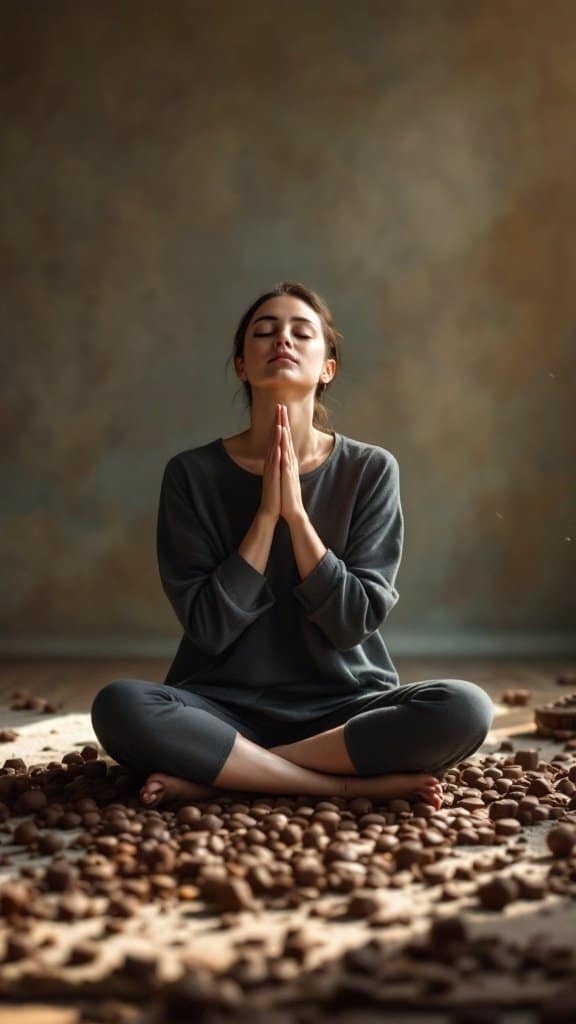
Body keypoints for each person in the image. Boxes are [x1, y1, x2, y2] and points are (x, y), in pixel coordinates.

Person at [90, 281, 494, 810]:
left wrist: (297, 519)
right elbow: (209, 626)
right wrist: (264, 517)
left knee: (465, 709)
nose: (283, 339)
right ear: (241, 364)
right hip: (219, 707)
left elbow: (352, 623)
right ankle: (334, 784)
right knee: (119, 706)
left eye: (302, 332)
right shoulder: (191, 475)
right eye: (265, 331)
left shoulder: (370, 470)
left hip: (345, 706)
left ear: (328, 367)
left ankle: (230, 774)